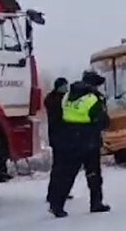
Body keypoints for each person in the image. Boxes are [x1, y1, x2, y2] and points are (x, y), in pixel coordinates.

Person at [46, 70, 111, 217]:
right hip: (89, 140)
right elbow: (103, 122)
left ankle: (57, 205)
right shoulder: (93, 99)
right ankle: (96, 203)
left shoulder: (69, 95)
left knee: (67, 174)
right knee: (93, 174)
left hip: (70, 139)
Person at [42, 77, 73, 202]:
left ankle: (55, 192)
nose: (66, 88)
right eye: (65, 86)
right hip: (62, 137)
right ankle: (58, 192)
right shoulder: (59, 100)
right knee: (62, 167)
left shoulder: (50, 99)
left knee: (58, 167)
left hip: (56, 137)